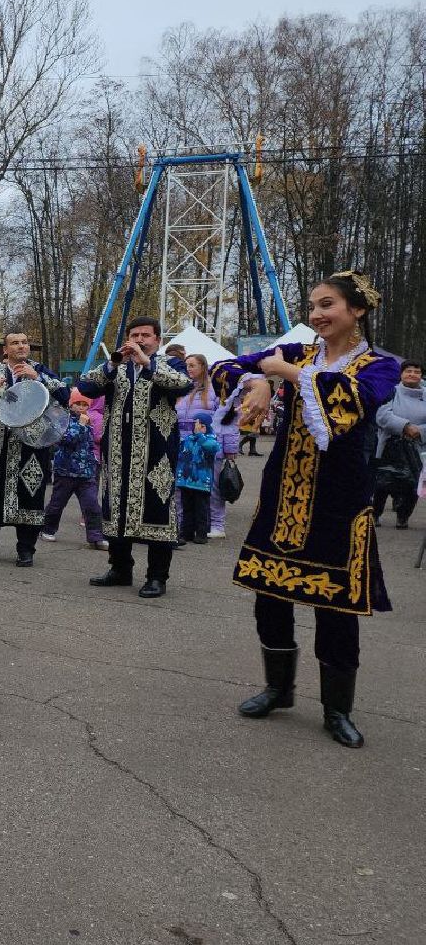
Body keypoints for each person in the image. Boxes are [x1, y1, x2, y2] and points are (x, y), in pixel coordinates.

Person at [214, 270, 399, 748]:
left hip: (339, 501)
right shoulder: (296, 352)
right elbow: (225, 365)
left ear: (356, 310)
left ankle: (337, 710)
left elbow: (347, 403)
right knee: (269, 597)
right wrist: (257, 381)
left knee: (336, 608)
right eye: (313, 305)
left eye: (328, 304)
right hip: (283, 497)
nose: (316, 314)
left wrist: (284, 374)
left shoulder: (380, 366)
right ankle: (279, 688)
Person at [78, 316, 192, 598]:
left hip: (157, 454)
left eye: (146, 335)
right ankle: (120, 569)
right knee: (116, 511)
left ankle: (157, 577)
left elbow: (183, 385)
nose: (140, 340)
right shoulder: (116, 367)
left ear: (158, 340)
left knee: (157, 510)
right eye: (135, 335)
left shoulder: (169, 364)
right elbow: (86, 386)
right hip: (117, 453)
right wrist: (111, 364)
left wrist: (146, 363)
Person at [0, 332, 69, 568]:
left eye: (24, 342)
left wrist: (39, 377)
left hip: (32, 446)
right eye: (15, 343)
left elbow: (65, 395)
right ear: (5, 349)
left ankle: (26, 549)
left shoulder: (39, 369)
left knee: (30, 494)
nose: (21, 346)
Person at [175, 353, 238, 540]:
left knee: (212, 488)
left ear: (203, 367)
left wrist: (230, 448)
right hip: (185, 446)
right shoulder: (182, 389)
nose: (188, 368)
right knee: (182, 488)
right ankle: (182, 525)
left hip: (209, 445)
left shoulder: (216, 390)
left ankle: (217, 524)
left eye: (192, 365)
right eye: (187, 365)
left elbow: (229, 419)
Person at [40, 394, 108, 550]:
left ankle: (96, 537)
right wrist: (82, 426)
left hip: (86, 473)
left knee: (92, 505)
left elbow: (92, 444)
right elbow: (66, 440)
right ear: (71, 405)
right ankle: (47, 529)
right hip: (66, 471)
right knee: (57, 504)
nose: (82, 407)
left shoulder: (89, 421)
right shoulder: (63, 421)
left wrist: (93, 461)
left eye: (85, 404)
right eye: (78, 404)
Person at [373, 359, 424, 529]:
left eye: (416, 372)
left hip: (416, 448)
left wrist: (419, 431)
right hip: (389, 445)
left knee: (412, 485)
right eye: (408, 371)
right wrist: (405, 426)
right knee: (381, 484)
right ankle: (375, 514)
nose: (412, 375)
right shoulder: (390, 391)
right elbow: (381, 415)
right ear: (401, 374)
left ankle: (403, 516)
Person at [175, 412, 220, 545]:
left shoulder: (211, 439)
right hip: (186, 481)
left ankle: (201, 534)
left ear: (204, 426)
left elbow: (212, 448)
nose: (193, 427)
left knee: (201, 509)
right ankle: (186, 533)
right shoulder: (188, 439)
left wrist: (201, 435)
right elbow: (181, 455)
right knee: (187, 508)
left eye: (196, 424)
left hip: (201, 483)